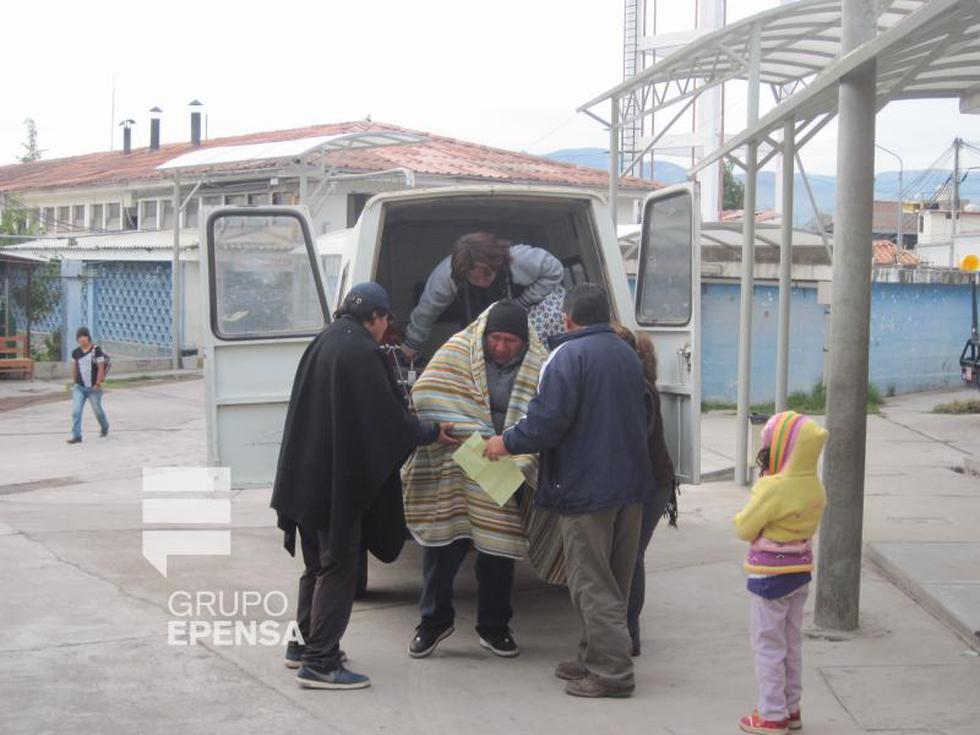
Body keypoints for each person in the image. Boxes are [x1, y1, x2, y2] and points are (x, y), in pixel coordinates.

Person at [271, 282, 456, 691]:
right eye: (386, 319)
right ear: (378, 316)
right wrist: (430, 432)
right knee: (338, 566)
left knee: (316, 566)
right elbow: (387, 421)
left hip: (304, 478)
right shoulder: (361, 352)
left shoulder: (327, 339)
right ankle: (320, 662)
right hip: (334, 484)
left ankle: (302, 646)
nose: (386, 327)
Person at [485, 284, 652, 698]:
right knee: (615, 579)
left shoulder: (567, 356)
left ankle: (613, 673)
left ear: (568, 318)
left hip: (587, 489)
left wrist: (503, 443)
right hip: (630, 487)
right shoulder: (627, 355)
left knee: (591, 583)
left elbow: (546, 423)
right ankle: (592, 657)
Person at [402, 301, 563, 659]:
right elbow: (428, 392)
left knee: (498, 549)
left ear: (525, 341)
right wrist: (471, 430)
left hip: (504, 464)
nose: (502, 348)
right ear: (484, 336)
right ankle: (433, 622)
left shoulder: (541, 365)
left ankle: (494, 628)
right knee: (443, 545)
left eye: (510, 341)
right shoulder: (459, 350)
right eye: (496, 339)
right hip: (459, 464)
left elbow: (547, 412)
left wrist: (505, 441)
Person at [734, 411, 828, 734]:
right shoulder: (815, 486)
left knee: (768, 645)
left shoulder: (773, 487)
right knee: (791, 643)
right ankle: (791, 708)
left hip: (769, 576)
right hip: (800, 573)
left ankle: (771, 714)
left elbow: (745, 527)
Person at [611, 325, 679, 657]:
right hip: (648, 484)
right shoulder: (636, 385)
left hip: (650, 487)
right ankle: (623, 632)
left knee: (630, 558)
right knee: (626, 559)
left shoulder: (638, 390)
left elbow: (633, 440)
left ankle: (628, 635)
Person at [401, 232, 564, 359]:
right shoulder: (445, 277)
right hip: (477, 324)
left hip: (526, 316)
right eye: (474, 278)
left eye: (487, 275)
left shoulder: (519, 258)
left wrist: (524, 302)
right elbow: (426, 312)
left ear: (498, 262)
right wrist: (413, 343)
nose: (482, 282)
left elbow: (555, 270)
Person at [67, 327, 109, 444]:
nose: (82, 339)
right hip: (79, 388)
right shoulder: (76, 352)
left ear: (88, 337)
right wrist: (75, 382)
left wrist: (98, 383)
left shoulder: (96, 350)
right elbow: (75, 367)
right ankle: (77, 436)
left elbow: (101, 367)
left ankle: (105, 427)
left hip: (93, 388)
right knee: (76, 411)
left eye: (84, 336)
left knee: (98, 411)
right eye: (79, 337)